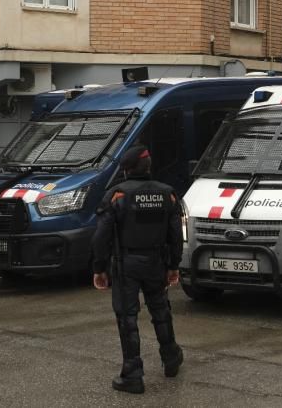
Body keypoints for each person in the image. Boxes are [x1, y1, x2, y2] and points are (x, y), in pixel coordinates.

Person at [92, 145, 185, 394]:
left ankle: (132, 374)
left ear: (126, 170)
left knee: (127, 317)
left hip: (126, 264)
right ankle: (171, 356)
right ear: (148, 167)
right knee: (160, 309)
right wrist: (174, 265)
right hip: (157, 262)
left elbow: (101, 236)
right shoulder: (168, 194)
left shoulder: (117, 195)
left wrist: (99, 268)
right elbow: (176, 235)